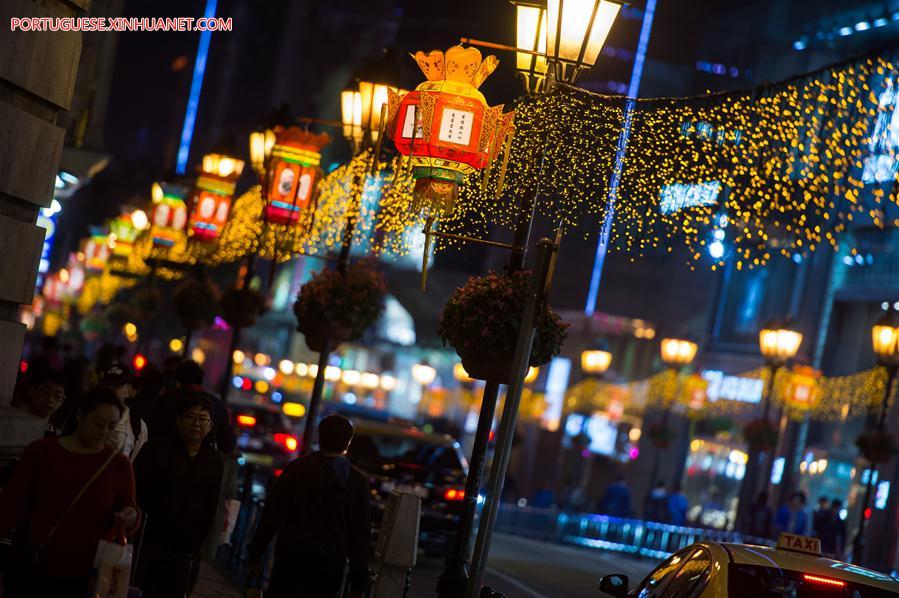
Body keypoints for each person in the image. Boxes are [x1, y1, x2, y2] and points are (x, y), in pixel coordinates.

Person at [0, 388, 139, 597]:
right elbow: (11, 505)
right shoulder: (41, 452)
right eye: (98, 424)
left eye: (111, 427)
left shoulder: (118, 465)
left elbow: (130, 507)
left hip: (83, 574)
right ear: (80, 415)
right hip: (33, 564)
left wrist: (130, 516)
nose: (104, 432)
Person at [248, 415, 371, 598]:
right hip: (329, 568)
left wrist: (255, 554)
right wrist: (358, 581)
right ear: (347, 443)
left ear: (318, 437)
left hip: (291, 560)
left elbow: (272, 515)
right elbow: (359, 535)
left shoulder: (296, 470)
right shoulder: (356, 482)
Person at [133, 394, 224, 598]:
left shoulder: (213, 460)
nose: (196, 423)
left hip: (184, 550)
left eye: (203, 419)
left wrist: (196, 547)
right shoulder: (155, 449)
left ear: (210, 426)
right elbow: (136, 491)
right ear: (178, 420)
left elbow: (211, 504)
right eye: (191, 416)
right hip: (149, 543)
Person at [100, 364, 148, 460]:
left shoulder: (137, 426)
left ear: (129, 390)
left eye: (116, 386)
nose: (110, 389)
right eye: (107, 385)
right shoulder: (86, 414)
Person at [11, 368, 66, 434]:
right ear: (31, 391)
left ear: (62, 401)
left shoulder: (57, 437)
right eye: (45, 392)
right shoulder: (14, 424)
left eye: (57, 396)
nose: (50, 399)